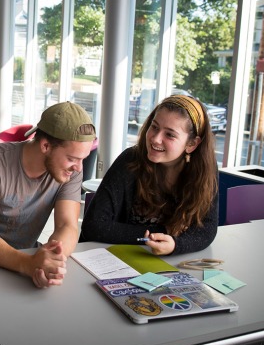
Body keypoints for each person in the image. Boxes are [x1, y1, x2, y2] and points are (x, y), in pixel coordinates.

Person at [0, 102, 96, 288]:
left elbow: (67, 225)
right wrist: (27, 264)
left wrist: (51, 261)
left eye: (82, 159)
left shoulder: (72, 171)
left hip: (29, 263)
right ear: (45, 145)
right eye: (72, 158)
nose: (79, 168)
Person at [79, 94, 218, 255]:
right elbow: (94, 226)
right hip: (110, 258)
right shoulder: (130, 160)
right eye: (155, 127)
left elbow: (206, 230)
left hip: (160, 264)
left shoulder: (204, 170)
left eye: (170, 134)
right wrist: (164, 232)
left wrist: (174, 245)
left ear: (192, 144)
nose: (156, 139)